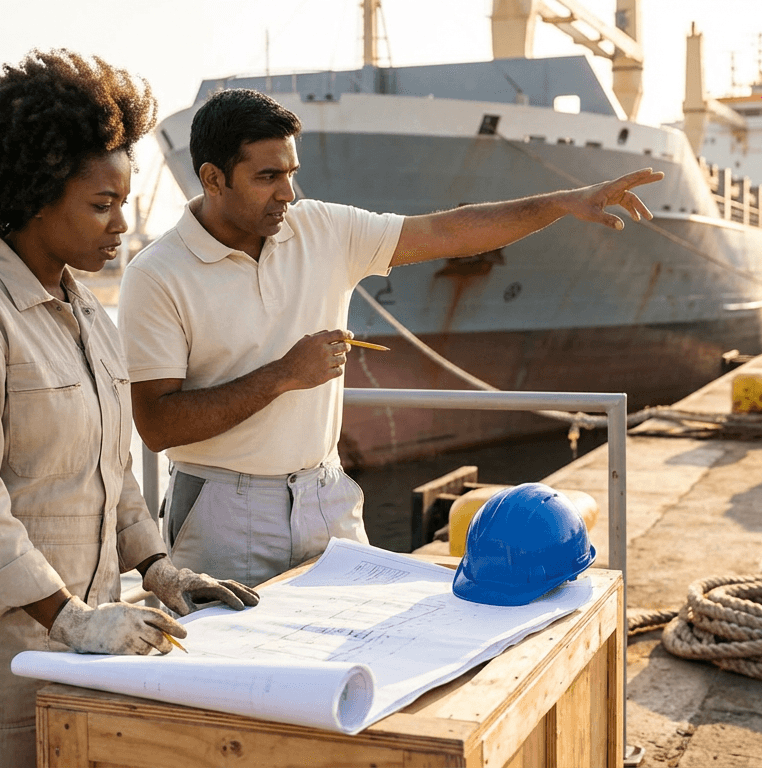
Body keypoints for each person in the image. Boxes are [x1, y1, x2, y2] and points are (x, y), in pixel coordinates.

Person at [119, 88, 663, 588]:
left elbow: (449, 230)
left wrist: (564, 203)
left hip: (324, 494)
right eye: (267, 177)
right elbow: (158, 425)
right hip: (219, 512)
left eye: (291, 172)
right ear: (212, 179)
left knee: (352, 655)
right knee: (230, 684)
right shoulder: (156, 273)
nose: (288, 192)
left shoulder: (322, 229)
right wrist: (285, 375)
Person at [0, 51, 257, 768]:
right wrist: (71, 620)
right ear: (33, 196)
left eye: (124, 202)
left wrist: (159, 569)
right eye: (101, 205)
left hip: (89, 636)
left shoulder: (88, 314)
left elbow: (111, 470)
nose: (121, 223)